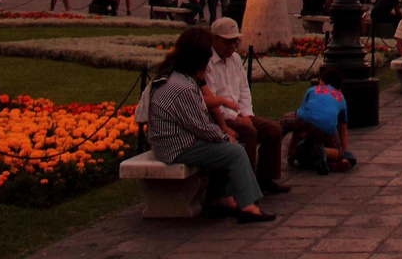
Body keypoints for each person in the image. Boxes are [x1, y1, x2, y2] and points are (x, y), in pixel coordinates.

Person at [144, 27, 274, 222]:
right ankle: (248, 206)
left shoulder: (176, 77)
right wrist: (224, 136)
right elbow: (200, 126)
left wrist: (223, 136)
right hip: (175, 146)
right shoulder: (182, 88)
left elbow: (199, 123)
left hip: (173, 142)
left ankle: (224, 197)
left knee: (229, 146)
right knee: (235, 151)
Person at [203, 18, 290, 194]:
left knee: (273, 130)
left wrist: (247, 114)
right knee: (248, 132)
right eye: (227, 41)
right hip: (220, 116)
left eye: (234, 41)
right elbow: (211, 100)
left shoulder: (235, 59)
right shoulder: (208, 64)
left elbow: (244, 90)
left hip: (239, 112)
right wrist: (238, 118)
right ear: (214, 39)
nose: (231, 46)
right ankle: (246, 185)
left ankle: (266, 177)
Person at [289, 68, 354, 173]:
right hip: (327, 135)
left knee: (302, 151)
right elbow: (343, 129)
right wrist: (344, 152)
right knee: (347, 155)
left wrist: (291, 153)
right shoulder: (340, 97)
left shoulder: (312, 90)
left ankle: (322, 158)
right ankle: (336, 158)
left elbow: (299, 119)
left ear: (321, 82)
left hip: (307, 141)